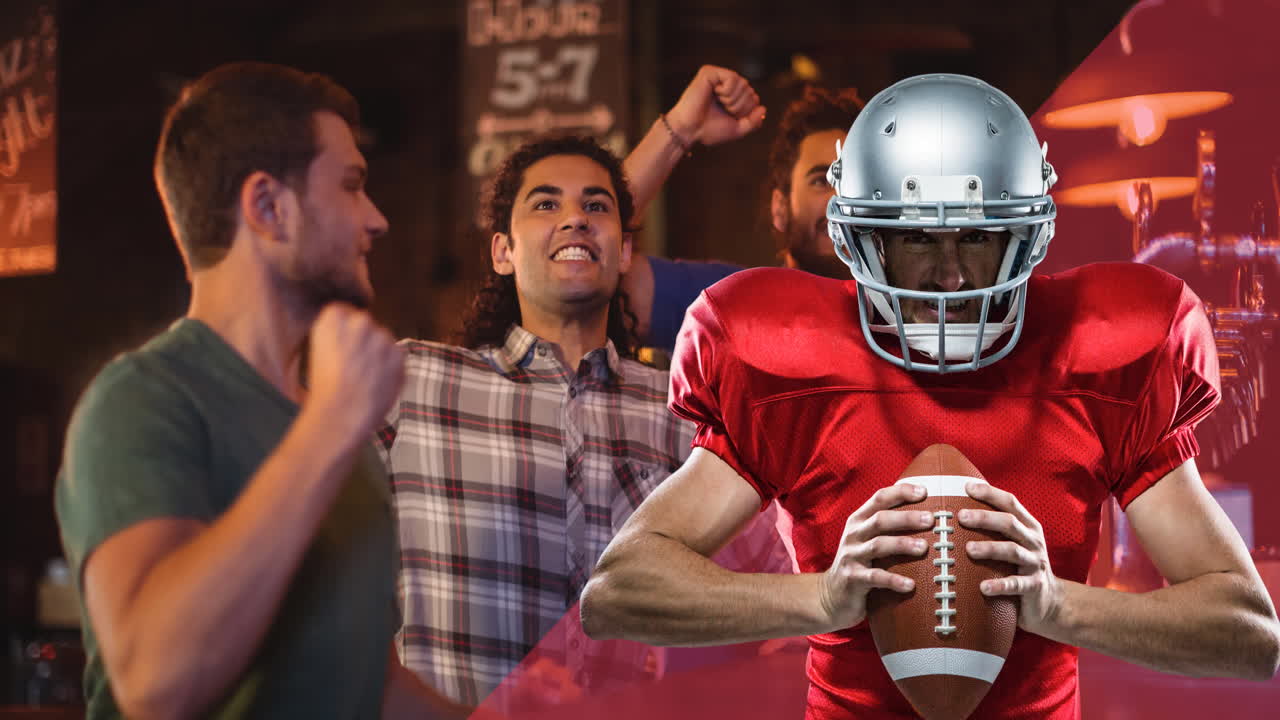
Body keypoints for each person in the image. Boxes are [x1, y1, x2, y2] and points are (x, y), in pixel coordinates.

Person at [580, 73, 1280, 719]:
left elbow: (1248, 632)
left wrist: (1054, 605)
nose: (949, 276)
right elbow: (620, 591)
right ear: (860, 242)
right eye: (916, 236)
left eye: (976, 236)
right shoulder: (788, 358)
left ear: (1026, 235)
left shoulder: (1100, 352)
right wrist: (821, 597)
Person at [54, 62, 462, 719]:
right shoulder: (142, 399)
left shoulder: (337, 429)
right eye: (352, 186)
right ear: (269, 207)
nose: (378, 219)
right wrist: (330, 426)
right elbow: (157, 684)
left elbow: (370, 687)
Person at [378, 134, 792, 710]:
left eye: (596, 206)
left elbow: (781, 593)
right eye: (546, 204)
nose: (575, 219)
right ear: (502, 251)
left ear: (623, 252)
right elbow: (317, 564)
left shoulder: (686, 409)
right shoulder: (411, 382)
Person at [620, 73, 863, 350]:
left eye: (855, 181)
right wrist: (681, 128)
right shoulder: (726, 304)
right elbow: (600, 264)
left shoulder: (909, 314)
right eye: (822, 180)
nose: (840, 199)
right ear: (779, 208)